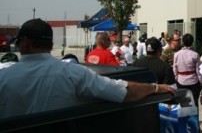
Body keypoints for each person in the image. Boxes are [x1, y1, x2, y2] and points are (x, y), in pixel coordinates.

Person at [0, 18, 176, 119]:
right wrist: (155, 88)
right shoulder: (73, 73)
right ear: (51, 43)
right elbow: (122, 91)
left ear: (24, 43)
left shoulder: (4, 78)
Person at [173, 33, 202, 111]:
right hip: (193, 81)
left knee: (183, 103)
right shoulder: (195, 54)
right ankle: (195, 121)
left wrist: (176, 78)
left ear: (182, 42)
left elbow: (174, 69)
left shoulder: (176, 54)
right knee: (194, 103)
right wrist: (201, 82)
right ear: (192, 42)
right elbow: (198, 71)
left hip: (181, 81)